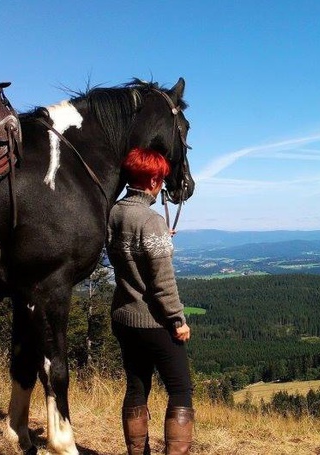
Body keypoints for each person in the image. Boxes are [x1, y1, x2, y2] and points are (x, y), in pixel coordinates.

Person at [107, 147, 194, 455]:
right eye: (161, 180)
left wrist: (159, 237)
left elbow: (127, 252)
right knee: (180, 390)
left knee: (136, 387)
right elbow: (162, 283)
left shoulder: (114, 212)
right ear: (154, 180)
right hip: (154, 322)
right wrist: (178, 321)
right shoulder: (150, 219)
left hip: (123, 317)